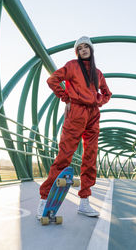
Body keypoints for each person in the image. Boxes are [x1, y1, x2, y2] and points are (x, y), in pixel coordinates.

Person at [37, 36, 112, 219]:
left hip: (93, 115)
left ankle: (84, 202)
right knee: (64, 156)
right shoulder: (72, 66)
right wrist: (66, 98)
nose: (83, 50)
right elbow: (52, 80)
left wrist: (98, 101)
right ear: (76, 52)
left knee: (90, 157)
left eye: (87, 47)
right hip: (76, 113)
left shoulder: (98, 73)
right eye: (80, 48)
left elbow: (107, 94)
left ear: (91, 50)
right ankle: (44, 200)